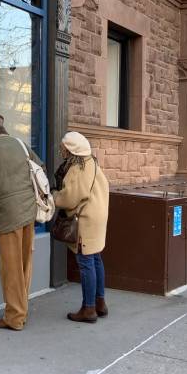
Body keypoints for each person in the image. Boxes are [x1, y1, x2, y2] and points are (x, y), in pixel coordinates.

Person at [0, 113, 44, 331]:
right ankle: (21, 311)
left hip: (7, 215)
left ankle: (14, 317)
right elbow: (40, 167)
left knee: (10, 268)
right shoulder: (20, 144)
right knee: (24, 264)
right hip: (28, 211)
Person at [53, 132, 109, 323]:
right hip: (98, 217)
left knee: (85, 262)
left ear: (71, 149)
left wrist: (53, 197)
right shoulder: (92, 163)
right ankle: (100, 303)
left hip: (85, 219)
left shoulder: (78, 167)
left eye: (63, 147)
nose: (61, 150)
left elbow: (70, 197)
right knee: (95, 259)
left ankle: (89, 309)